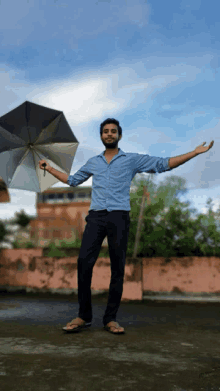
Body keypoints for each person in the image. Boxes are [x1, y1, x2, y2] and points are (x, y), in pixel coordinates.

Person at [39, 118, 214, 335]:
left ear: (119, 135)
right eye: (105, 131)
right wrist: (49, 168)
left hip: (119, 217)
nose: (109, 134)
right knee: (84, 263)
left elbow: (162, 164)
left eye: (113, 131)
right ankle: (83, 316)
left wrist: (194, 153)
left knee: (117, 267)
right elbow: (73, 180)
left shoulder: (131, 160)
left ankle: (110, 319)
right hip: (96, 217)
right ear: (101, 136)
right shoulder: (93, 162)